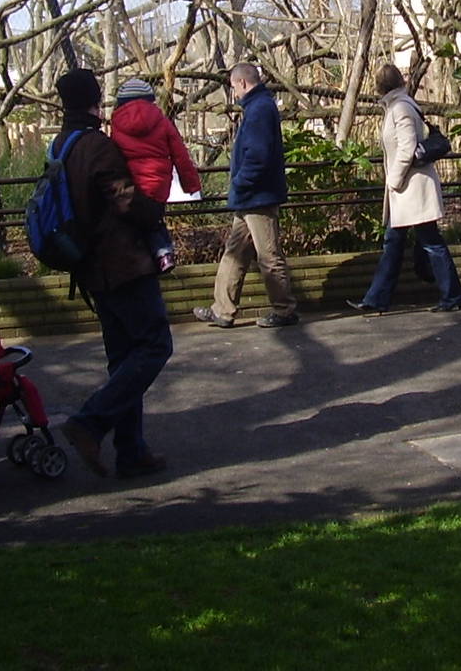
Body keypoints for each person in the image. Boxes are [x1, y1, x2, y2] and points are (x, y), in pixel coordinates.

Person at [49, 68, 173, 480]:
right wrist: (154, 213)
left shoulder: (62, 144)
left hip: (91, 269)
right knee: (155, 346)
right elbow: (123, 198)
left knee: (123, 358)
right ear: (95, 101)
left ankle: (131, 451)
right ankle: (90, 422)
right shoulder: (96, 146)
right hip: (122, 265)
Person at [348, 63, 461, 316]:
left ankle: (451, 294)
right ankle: (377, 299)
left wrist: (394, 180)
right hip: (408, 191)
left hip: (410, 189)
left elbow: (407, 148)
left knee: (429, 242)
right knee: (396, 243)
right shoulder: (401, 105)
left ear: (380, 87)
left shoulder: (399, 108)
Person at [193, 63, 299, 329]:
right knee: (235, 252)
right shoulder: (258, 107)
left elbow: (258, 155)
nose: (233, 93)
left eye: (232, 87)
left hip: (257, 195)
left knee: (268, 255)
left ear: (241, 83)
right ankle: (222, 309)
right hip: (252, 196)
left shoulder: (259, 109)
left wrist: (240, 183)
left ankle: (284, 309)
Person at [109, 77, 203, 273]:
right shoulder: (162, 120)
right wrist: (191, 185)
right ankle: (163, 253)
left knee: (136, 222)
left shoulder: (116, 123)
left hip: (130, 184)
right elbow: (180, 154)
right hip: (157, 183)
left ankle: (150, 256)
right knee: (154, 219)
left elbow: (113, 152)